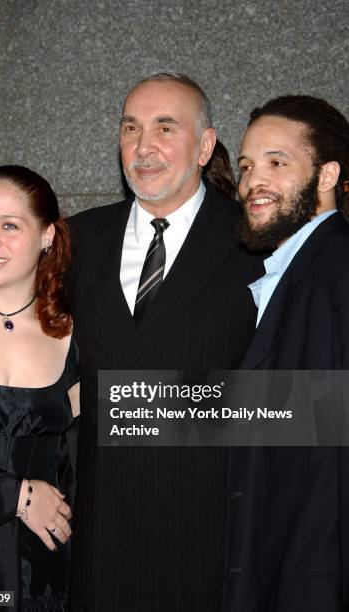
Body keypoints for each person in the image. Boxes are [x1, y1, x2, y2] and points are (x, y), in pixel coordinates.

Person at [68, 72, 263, 611]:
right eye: (131, 127)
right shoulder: (77, 240)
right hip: (95, 545)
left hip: (207, 545)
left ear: (204, 147)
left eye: (165, 127)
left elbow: (310, 405)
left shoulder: (258, 245)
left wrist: (126, 403)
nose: (143, 146)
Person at [225, 96, 349, 611]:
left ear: (326, 175)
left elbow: (316, 432)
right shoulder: (298, 270)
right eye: (248, 165)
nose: (254, 180)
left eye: (277, 162)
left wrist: (129, 408)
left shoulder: (334, 272)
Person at [0, 165, 79, 611]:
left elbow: (86, 455)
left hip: (42, 570)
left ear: (47, 235)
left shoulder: (75, 336)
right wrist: (17, 494)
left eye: (10, 225)